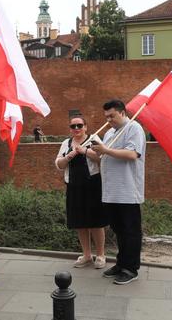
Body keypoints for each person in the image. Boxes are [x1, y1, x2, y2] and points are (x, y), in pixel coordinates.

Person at [89, 99, 146, 285]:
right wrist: (90, 151)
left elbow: (132, 154)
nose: (108, 120)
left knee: (130, 231)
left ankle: (131, 268)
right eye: (106, 117)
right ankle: (121, 264)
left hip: (128, 191)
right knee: (119, 230)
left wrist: (105, 149)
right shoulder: (109, 133)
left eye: (112, 116)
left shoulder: (134, 128)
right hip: (111, 191)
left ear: (122, 112)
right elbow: (104, 157)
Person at [55, 115, 106, 269]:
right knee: (80, 222)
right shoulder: (66, 143)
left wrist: (85, 151)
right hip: (74, 186)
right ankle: (86, 255)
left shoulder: (94, 139)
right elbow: (59, 164)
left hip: (93, 185)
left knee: (96, 222)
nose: (76, 129)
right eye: (73, 126)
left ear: (85, 126)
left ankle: (101, 255)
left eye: (79, 125)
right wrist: (67, 158)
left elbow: (103, 158)